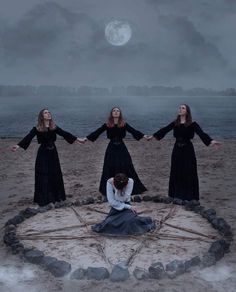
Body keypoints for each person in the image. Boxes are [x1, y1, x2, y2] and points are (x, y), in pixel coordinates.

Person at [149, 104, 220, 201]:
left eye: (183, 108)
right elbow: (164, 130)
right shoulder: (175, 123)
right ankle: (175, 195)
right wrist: (153, 136)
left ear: (187, 112)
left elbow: (201, 134)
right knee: (176, 171)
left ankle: (189, 196)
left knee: (188, 171)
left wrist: (211, 141)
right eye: (180, 108)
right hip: (177, 150)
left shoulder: (193, 124)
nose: (180, 109)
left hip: (188, 150)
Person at [11, 108, 81, 207]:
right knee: (44, 175)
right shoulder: (37, 128)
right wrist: (18, 146)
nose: (48, 114)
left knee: (55, 174)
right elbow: (28, 137)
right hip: (43, 153)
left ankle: (56, 197)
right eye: (45, 113)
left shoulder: (54, 127)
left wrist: (77, 139)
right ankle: (44, 199)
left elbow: (65, 134)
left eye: (48, 112)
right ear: (42, 116)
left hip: (53, 153)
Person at [80, 107, 148, 197]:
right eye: (114, 111)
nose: (116, 112)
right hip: (111, 148)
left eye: (117, 111)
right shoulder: (107, 124)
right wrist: (86, 138)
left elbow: (133, 131)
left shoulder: (124, 124)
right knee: (110, 166)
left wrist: (144, 136)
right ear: (111, 113)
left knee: (126, 165)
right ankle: (110, 189)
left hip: (122, 148)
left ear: (120, 114)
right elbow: (97, 132)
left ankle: (127, 187)